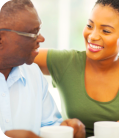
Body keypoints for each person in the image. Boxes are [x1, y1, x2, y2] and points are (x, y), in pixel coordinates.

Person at [34, 0, 119, 137]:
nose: (92, 36)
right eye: (89, 25)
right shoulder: (66, 62)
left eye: (105, 31)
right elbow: (18, 53)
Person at [0, 0, 85, 138]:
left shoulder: (33, 73)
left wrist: (67, 130)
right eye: (33, 33)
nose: (41, 38)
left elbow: (50, 125)